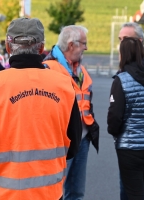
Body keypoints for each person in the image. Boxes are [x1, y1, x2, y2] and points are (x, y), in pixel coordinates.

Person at [0, 17, 82, 200]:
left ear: (7, 46)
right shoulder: (64, 86)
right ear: (41, 48)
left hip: (1, 195)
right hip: (49, 194)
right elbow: (73, 146)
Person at [43, 25, 99, 200]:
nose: (86, 48)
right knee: (54, 192)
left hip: (82, 140)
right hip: (60, 141)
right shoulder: (48, 69)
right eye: (83, 43)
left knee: (76, 193)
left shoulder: (80, 69)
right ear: (71, 45)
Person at [107, 37, 144, 199]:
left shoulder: (121, 80)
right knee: (143, 188)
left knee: (134, 193)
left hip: (129, 147)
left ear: (123, 55)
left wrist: (114, 133)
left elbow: (115, 116)